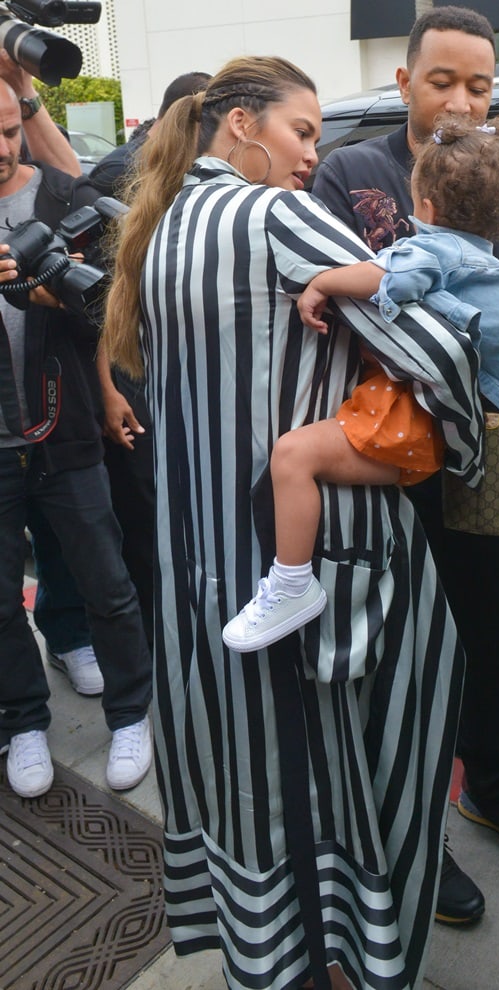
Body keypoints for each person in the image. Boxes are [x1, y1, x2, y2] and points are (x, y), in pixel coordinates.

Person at [103, 55, 484, 990]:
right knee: (325, 776)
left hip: (197, 559)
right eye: (302, 130)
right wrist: (467, 437)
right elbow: (436, 333)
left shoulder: (161, 226)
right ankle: (330, 963)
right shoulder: (269, 214)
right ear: (240, 125)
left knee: (241, 772)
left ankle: (260, 956)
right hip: (300, 559)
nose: (314, 153)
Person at [312, 4, 499, 927]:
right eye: (442, 80)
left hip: (484, 453)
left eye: (479, 84)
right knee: (396, 649)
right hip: (386, 449)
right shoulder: (353, 171)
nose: (462, 100)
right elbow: (345, 308)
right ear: (405, 82)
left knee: (486, 624)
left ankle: (490, 787)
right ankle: (416, 831)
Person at [224, 113, 499, 653]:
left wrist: (320, 281)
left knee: (292, 456)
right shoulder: (491, 266)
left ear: (428, 209)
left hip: (416, 422)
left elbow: (388, 276)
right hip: (470, 423)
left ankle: (291, 583)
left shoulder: (436, 250)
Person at [0, 79, 153, 798]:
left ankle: (131, 714)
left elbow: (110, 304)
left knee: (108, 579)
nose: (3, 150)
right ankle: (24, 721)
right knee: (1, 600)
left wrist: (109, 390)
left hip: (65, 427)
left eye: (10, 131)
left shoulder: (64, 197)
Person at [92, 70, 212, 653]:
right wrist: (108, 391)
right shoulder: (120, 177)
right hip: (133, 374)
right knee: (147, 521)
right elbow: (93, 303)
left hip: (182, 375)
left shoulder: (202, 181)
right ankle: (157, 647)